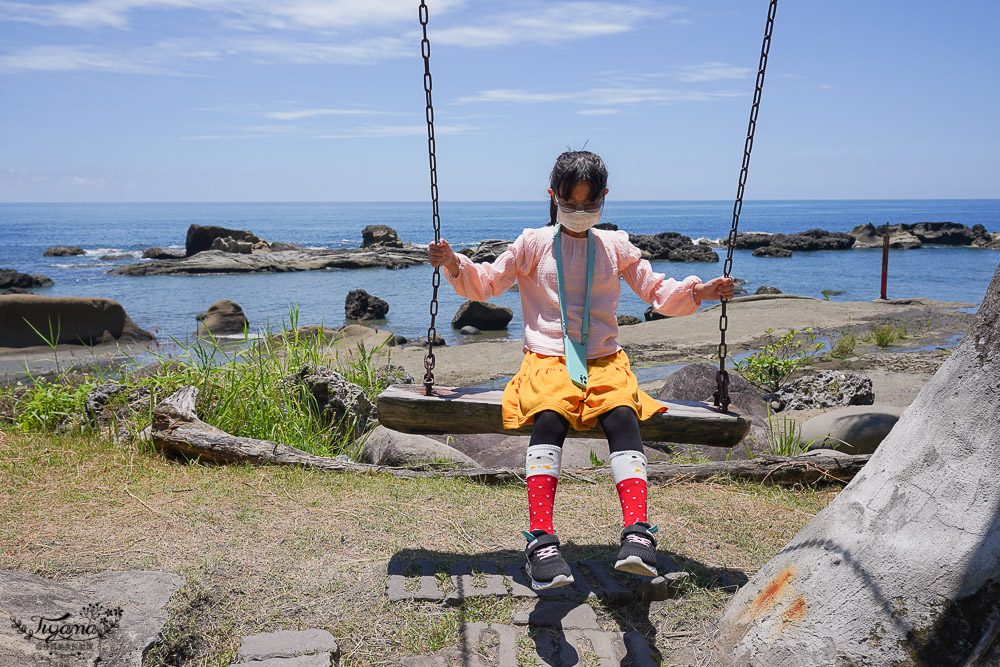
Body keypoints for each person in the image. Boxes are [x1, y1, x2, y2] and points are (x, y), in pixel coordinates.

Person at [427, 151, 734, 590]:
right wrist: (454, 263)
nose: (580, 213)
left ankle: (637, 533)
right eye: (571, 204)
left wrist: (699, 290)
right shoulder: (533, 243)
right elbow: (488, 282)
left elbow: (657, 290)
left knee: (624, 416)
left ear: (604, 200)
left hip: (604, 360)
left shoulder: (615, 247)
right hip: (548, 358)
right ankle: (540, 541)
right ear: (554, 198)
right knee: (549, 416)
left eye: (590, 205)